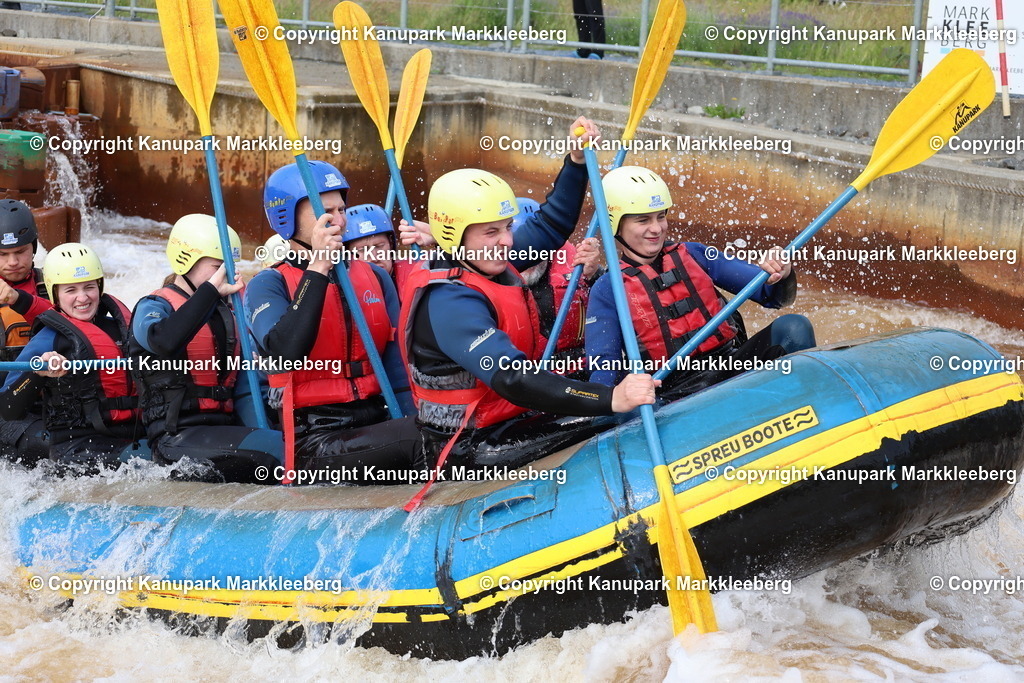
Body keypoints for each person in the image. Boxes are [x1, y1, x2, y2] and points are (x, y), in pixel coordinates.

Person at [399, 116, 659, 475]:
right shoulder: (449, 301)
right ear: (453, 235)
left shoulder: (485, 258)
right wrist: (610, 398)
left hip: (509, 418)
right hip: (468, 444)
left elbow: (551, 223)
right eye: (492, 232)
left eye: (508, 227)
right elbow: (513, 378)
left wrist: (576, 161)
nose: (507, 241)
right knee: (616, 414)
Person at [246, 161, 419, 482]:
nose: (339, 221)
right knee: (421, 437)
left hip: (378, 421)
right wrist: (319, 267)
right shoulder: (267, 284)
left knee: (437, 430)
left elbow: (397, 368)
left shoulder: (375, 276)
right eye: (326, 212)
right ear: (287, 218)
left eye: (342, 210)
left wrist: (418, 421)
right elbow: (283, 352)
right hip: (314, 438)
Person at [586, 166, 815, 398]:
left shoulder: (695, 254)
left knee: (794, 328)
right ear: (614, 224)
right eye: (643, 220)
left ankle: (813, 403)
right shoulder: (607, 289)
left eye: (661, 216)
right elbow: (604, 370)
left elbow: (771, 295)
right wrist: (610, 402)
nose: (656, 228)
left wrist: (781, 272)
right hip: (674, 394)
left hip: (730, 365)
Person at [129, 214, 282, 483]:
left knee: (290, 444)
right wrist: (210, 292)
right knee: (279, 451)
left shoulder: (226, 314)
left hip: (220, 430)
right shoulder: (152, 306)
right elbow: (165, 342)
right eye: (217, 266)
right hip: (176, 438)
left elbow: (245, 390)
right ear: (185, 260)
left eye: (230, 265)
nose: (227, 273)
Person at [0, 242, 141, 472]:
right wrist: (38, 373)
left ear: (100, 287)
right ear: (55, 294)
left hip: (128, 434)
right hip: (78, 447)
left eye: (89, 287)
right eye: (71, 290)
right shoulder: (47, 339)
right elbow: (9, 409)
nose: (82, 298)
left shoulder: (123, 328)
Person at [512, 197, 601, 379]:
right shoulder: (485, 278)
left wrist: (595, 275)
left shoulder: (577, 267)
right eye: (517, 250)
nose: (527, 257)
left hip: (581, 371)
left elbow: (618, 307)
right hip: (528, 381)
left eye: (535, 248)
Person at [0, 199, 51, 465]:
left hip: (53, 401)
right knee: (48, 444)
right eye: (2, 254)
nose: (13, 262)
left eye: (20, 251)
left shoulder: (55, 283)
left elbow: (72, 322)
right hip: (7, 410)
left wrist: (18, 299)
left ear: (34, 247)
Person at [342, 203, 422, 298]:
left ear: (391, 245)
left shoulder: (415, 274)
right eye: (363, 250)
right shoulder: (342, 291)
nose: (374, 257)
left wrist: (435, 238)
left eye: (379, 246)